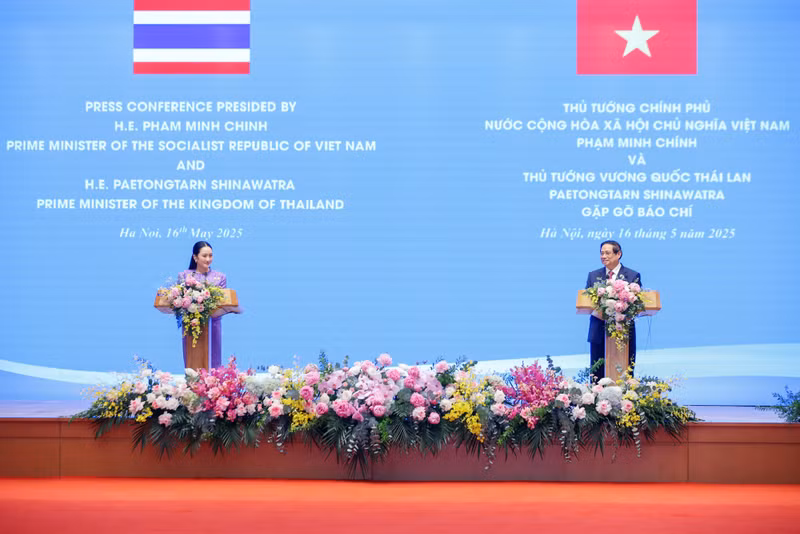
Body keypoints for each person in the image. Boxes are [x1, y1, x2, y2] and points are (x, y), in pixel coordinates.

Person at [585, 240, 641, 379]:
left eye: (607, 253)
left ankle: (626, 397)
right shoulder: (593, 275)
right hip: (598, 329)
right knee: (597, 370)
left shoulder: (633, 276)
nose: (603, 256)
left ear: (619, 254)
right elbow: (586, 301)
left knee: (625, 370)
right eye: (601, 253)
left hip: (623, 331)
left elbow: (637, 304)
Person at [178, 241, 226, 368]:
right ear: (195, 257)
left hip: (213, 324)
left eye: (210, 255)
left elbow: (223, 302)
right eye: (204, 256)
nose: (208, 259)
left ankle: (214, 385)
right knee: (192, 363)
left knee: (213, 360)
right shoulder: (184, 276)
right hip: (191, 324)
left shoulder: (220, 277)